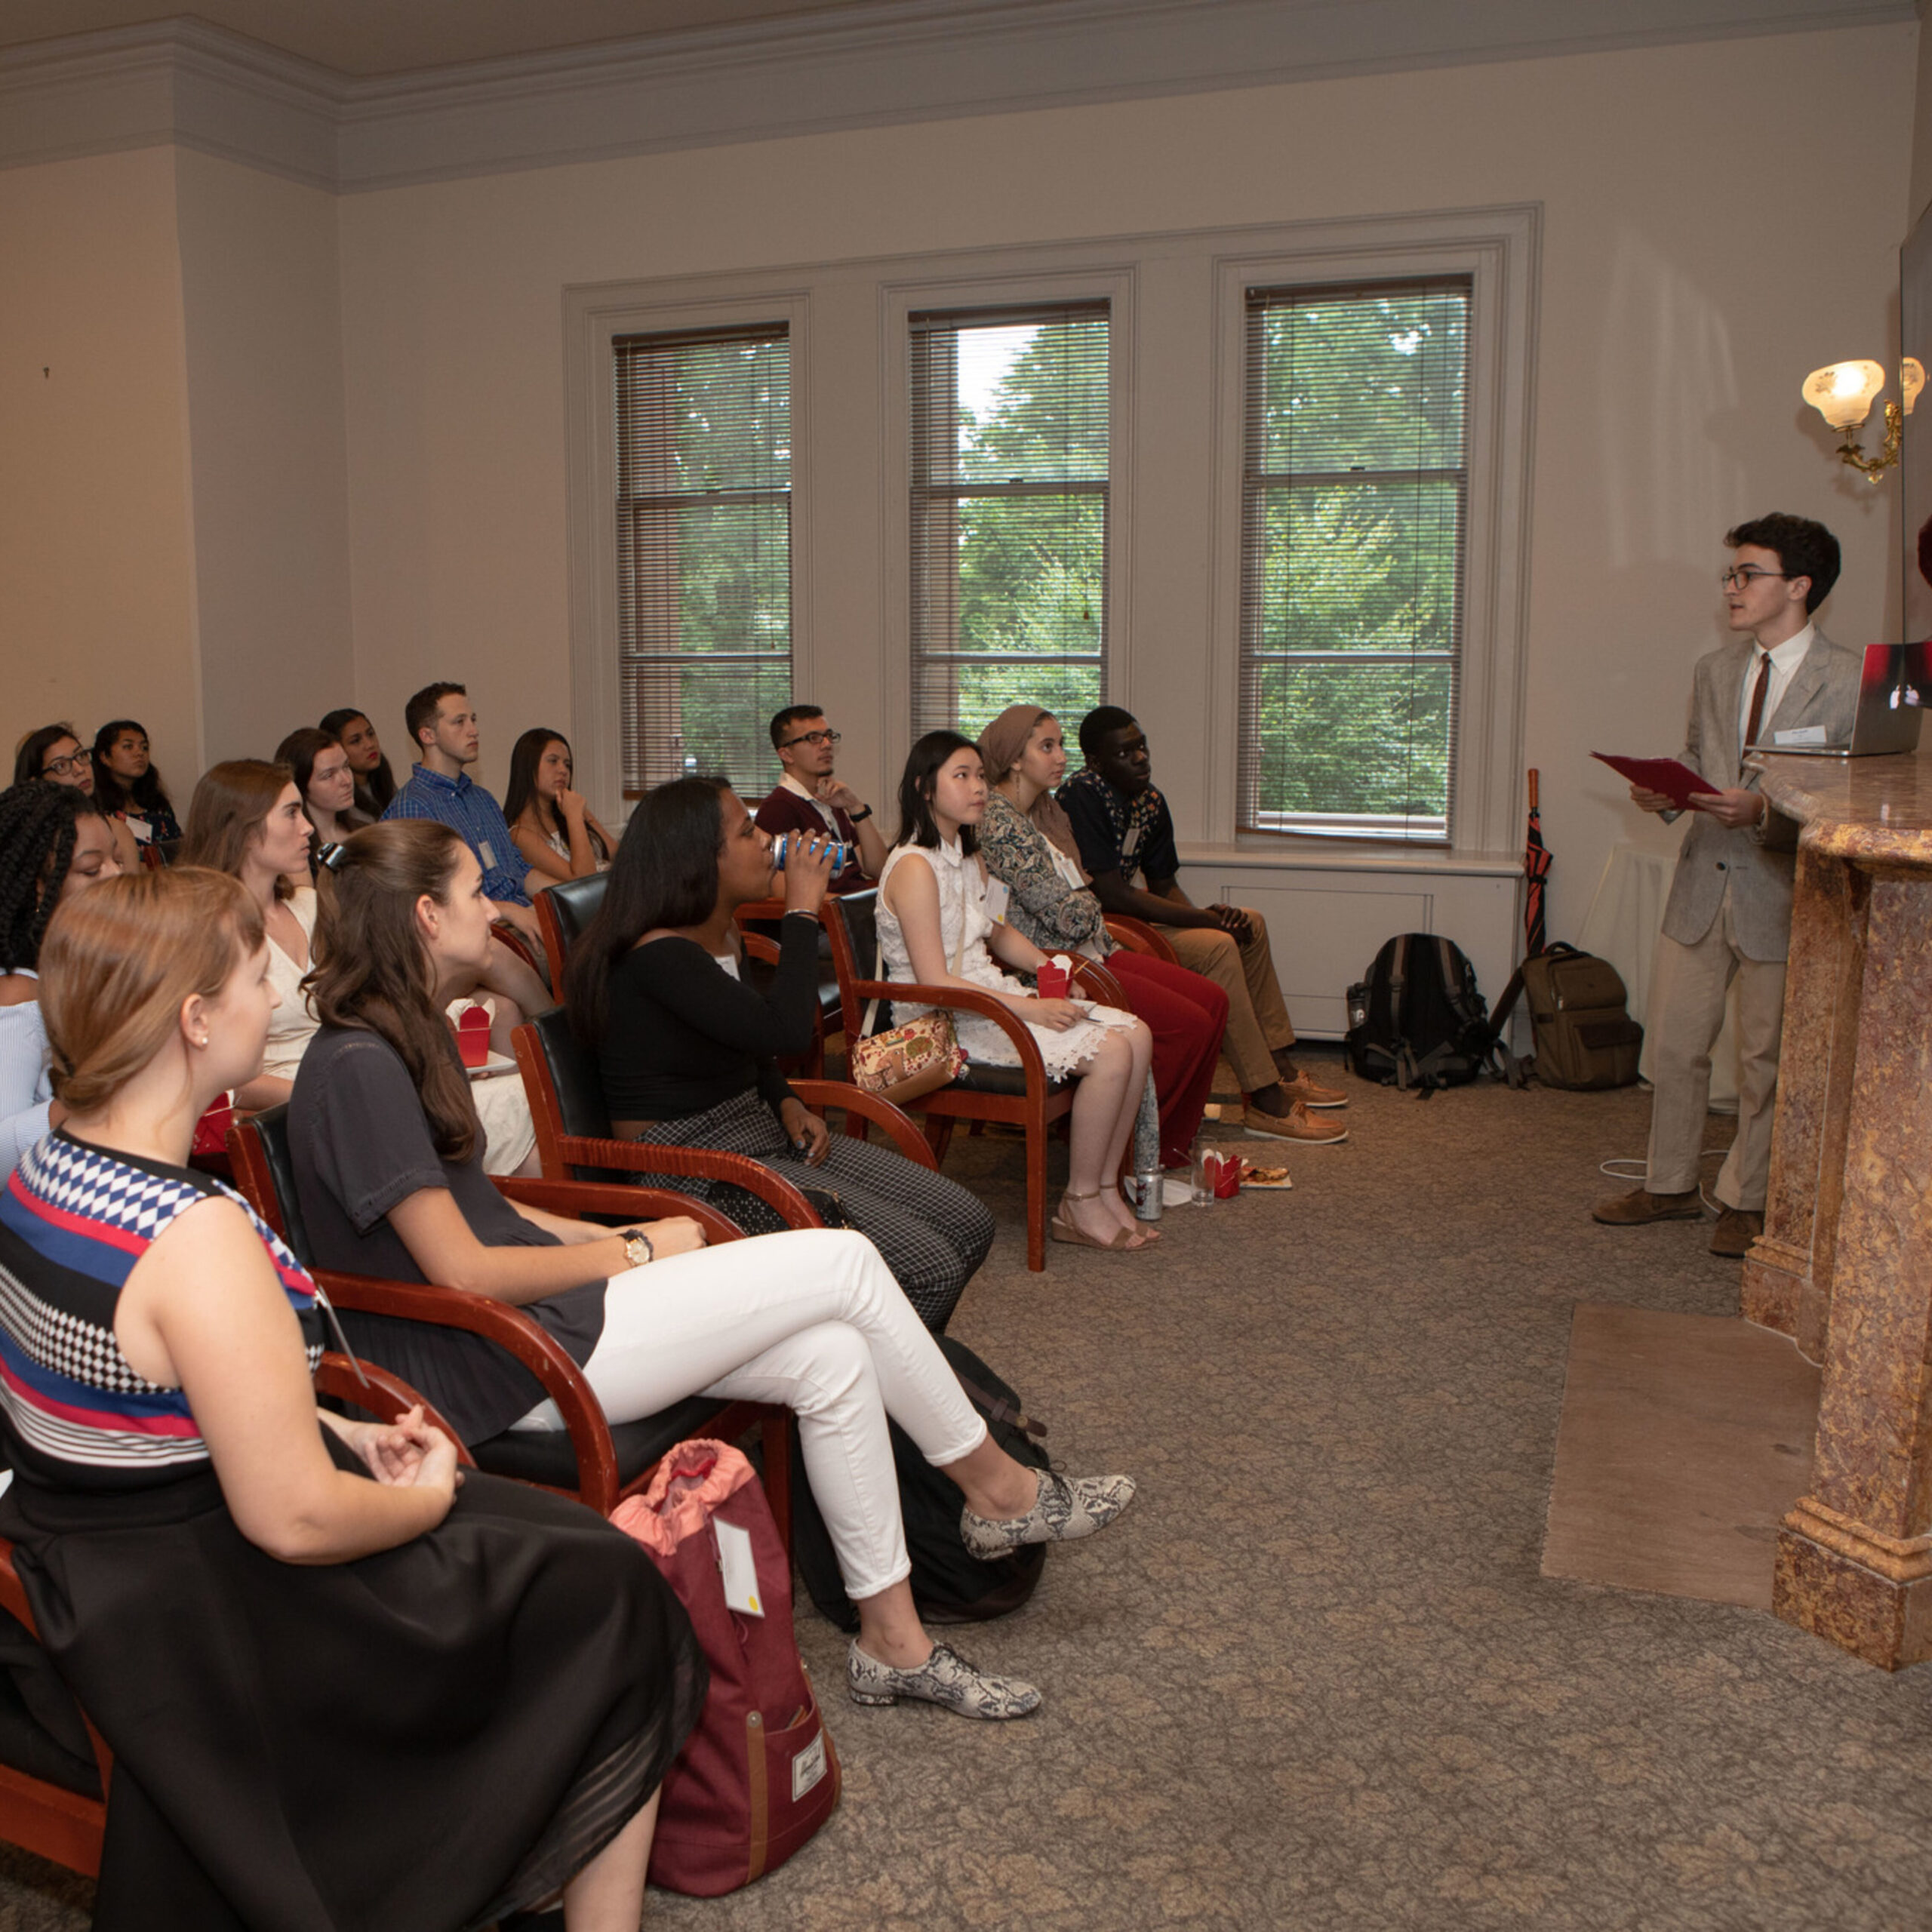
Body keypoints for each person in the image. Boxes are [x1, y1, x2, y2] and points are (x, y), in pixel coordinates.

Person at [291, 819, 1136, 1716]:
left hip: (546, 1321)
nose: (493, 912)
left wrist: (622, 1237)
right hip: (498, 1366)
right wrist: (635, 1247)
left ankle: (894, 1642)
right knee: (846, 1262)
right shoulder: (357, 1067)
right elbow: (461, 1269)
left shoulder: (399, 1038)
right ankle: (998, 1492)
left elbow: (484, 1207)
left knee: (833, 1355)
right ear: (425, 916)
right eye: (470, 894)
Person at [0, 864, 704, 1931]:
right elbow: (291, 1519)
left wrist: (325, 1424)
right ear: (196, 1021)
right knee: (607, 1581)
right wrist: (419, 1503)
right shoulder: (193, 1236)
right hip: (205, 1619)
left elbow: (136, 1389)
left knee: (535, 1537)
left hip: (84, 1576)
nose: (271, 1000)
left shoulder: (44, 1171)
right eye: (249, 980)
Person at [569, 776, 995, 1331]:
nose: (768, 839)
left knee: (969, 1221)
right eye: (748, 831)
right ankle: (855, 1393)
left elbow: (749, 1042)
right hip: (687, 1166)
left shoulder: (720, 936)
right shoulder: (659, 956)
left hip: (756, 1129)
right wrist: (801, 912)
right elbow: (790, 1032)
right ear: (703, 859)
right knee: (929, 1268)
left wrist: (785, 1099)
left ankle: (883, 1369)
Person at [1592, 512, 1861, 1257]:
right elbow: (1694, 757)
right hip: (1700, 888)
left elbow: (1847, 800)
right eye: (1730, 575)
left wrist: (1764, 810)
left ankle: (1745, 1198)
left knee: (1764, 1060)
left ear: (1799, 586)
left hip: (1782, 892)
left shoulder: (1848, 679)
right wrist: (1667, 792)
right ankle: (1669, 1184)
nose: (1732, 588)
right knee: (1675, 1046)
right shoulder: (1714, 669)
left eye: (1748, 574)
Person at [182, 760, 543, 1175]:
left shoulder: (311, 906)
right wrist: (344, 1093)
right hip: (291, 1108)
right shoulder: (207, 930)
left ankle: (508, 1219)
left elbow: (367, 998)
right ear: (243, 829)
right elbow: (220, 1076)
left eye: (303, 812)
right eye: (291, 813)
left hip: (358, 1073)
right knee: (516, 1104)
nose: (307, 828)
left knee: (526, 1095)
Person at [878, 731, 1158, 1252]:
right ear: (924, 789)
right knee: (1113, 1052)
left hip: (986, 998)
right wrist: (1031, 1005)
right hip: (942, 1019)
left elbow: (999, 929)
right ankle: (1077, 1202)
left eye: (981, 775)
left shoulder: (967, 855)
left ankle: (1104, 1191)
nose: (979, 788)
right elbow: (934, 979)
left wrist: (1050, 964)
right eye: (961, 776)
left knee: (1137, 1034)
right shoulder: (915, 866)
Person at [1059, 706, 1348, 1146]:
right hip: (1102, 931)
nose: (1140, 758)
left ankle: (1279, 1066)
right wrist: (1205, 922)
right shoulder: (1083, 795)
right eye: (1125, 752)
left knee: (1249, 923)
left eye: (1142, 746)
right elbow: (1113, 894)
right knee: (1215, 945)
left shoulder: (1149, 801)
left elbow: (1164, 884)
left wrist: (1215, 920)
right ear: (1096, 762)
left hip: (1135, 919)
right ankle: (1263, 1095)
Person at [977, 705, 1229, 1170]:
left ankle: (1165, 1142)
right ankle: (1143, 1158)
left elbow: (1081, 899)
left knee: (1213, 1001)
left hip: (1088, 949)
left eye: (1060, 745)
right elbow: (1069, 911)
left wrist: (1090, 908)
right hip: (1049, 966)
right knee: (1187, 1025)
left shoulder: (1043, 811)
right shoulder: (1000, 822)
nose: (1060, 757)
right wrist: (1091, 908)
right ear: (1015, 758)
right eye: (1046, 746)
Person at [0, 781, 123, 1171]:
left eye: (115, 860)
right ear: (40, 887)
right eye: (91, 869)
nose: (116, 876)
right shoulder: (20, 996)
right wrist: (93, 1097)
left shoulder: (80, 968)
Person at [382, 680, 543, 952]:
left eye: (473, 720)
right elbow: (430, 900)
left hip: (517, 920)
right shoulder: (413, 808)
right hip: (480, 934)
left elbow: (518, 871)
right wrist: (509, 910)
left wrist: (569, 893)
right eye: (459, 722)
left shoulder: (482, 799)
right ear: (427, 735)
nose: (474, 730)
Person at [754, 703, 888, 888]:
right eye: (814, 738)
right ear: (786, 754)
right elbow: (783, 892)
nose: (827, 745)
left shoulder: (829, 800)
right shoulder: (779, 808)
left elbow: (879, 869)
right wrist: (845, 908)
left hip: (858, 906)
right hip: (834, 912)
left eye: (828, 736)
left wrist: (856, 807)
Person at [12, 724, 140, 872]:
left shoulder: (117, 830)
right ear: (37, 782)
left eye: (81, 756)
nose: (80, 770)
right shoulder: (26, 840)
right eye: (60, 766)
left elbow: (131, 892)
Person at [506, 727, 615, 882]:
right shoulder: (520, 835)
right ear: (528, 767)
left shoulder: (571, 810)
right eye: (553, 761)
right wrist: (575, 817)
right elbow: (584, 881)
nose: (563, 770)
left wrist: (583, 815)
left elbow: (617, 856)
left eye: (567, 764)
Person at [90, 718, 182, 863]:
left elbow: (179, 849)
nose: (139, 753)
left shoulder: (157, 804)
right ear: (105, 757)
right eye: (128, 747)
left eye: (144, 747)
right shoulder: (96, 809)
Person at [275, 724, 365, 855]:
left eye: (346, 766)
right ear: (300, 785)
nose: (347, 781)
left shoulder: (364, 832)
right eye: (329, 775)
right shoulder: (295, 849)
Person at [320, 705, 398, 820]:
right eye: (356, 741)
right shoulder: (338, 800)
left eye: (370, 734)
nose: (370, 744)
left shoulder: (384, 783)